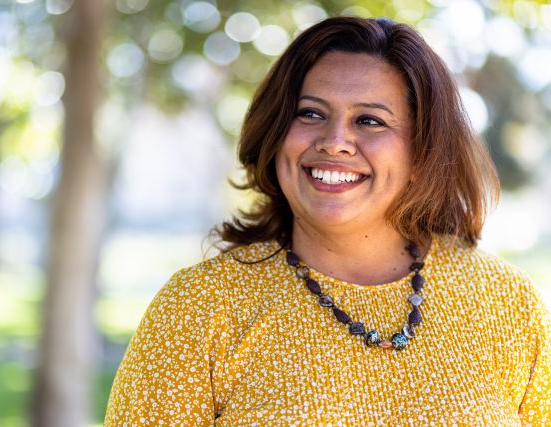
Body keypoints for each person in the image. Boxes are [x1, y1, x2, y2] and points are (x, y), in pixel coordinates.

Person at [104, 16, 550, 426]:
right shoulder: (197, 309)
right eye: (311, 113)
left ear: (422, 152)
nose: (335, 142)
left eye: (370, 120)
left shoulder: (508, 304)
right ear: (277, 133)